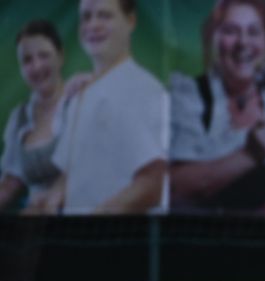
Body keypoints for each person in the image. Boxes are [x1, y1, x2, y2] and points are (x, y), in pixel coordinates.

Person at [169, 0, 265, 212]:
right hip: (201, 234)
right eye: (231, 31)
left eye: (254, 32)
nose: (243, 42)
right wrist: (248, 155)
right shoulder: (191, 95)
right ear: (214, 39)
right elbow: (175, 187)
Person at [31, 0, 167, 214]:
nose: (92, 25)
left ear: (130, 21)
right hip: (76, 243)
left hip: (120, 243)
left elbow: (153, 183)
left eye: (104, 15)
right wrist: (46, 202)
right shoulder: (79, 93)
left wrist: (94, 225)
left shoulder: (144, 90)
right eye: (86, 17)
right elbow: (71, 176)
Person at [0, 21, 67, 212]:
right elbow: (11, 183)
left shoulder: (80, 104)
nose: (36, 66)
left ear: (61, 56)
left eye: (44, 56)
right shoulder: (18, 117)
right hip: (35, 226)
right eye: (27, 60)